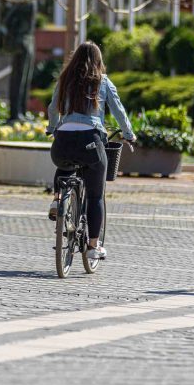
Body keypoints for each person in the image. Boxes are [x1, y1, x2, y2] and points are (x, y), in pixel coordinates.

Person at [46, 42, 135, 260]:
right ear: (98, 60)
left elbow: (52, 108)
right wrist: (129, 134)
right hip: (91, 143)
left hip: (62, 142)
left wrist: (52, 128)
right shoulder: (102, 81)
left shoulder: (65, 80)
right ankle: (93, 246)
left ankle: (58, 199)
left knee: (65, 165)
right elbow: (118, 110)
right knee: (96, 195)